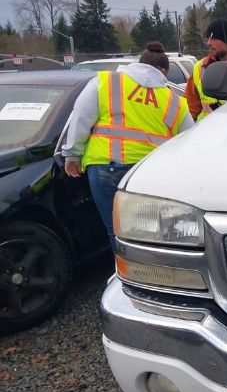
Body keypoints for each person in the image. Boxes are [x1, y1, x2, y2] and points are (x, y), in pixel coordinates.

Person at [62, 42, 194, 249]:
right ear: (163, 71)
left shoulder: (106, 82)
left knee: (117, 231)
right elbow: (189, 141)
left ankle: (124, 275)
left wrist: (72, 155)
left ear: (139, 62)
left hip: (106, 167)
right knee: (154, 234)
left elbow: (81, 117)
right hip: (149, 172)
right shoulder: (173, 99)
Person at [184, 18, 227, 121]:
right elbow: (190, 108)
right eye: (208, 38)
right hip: (208, 132)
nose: (209, 43)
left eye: (213, 38)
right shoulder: (200, 67)